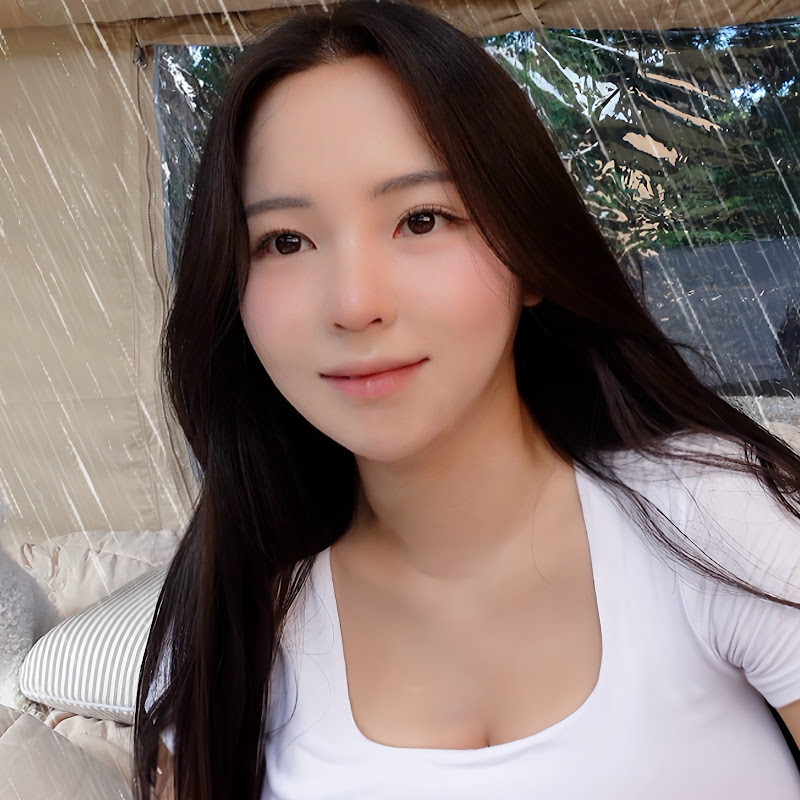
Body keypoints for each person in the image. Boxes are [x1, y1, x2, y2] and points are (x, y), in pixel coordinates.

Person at [133, 2, 800, 798]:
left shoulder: (712, 514)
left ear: (530, 252)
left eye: (422, 219)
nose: (353, 304)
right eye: (285, 241)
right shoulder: (236, 613)